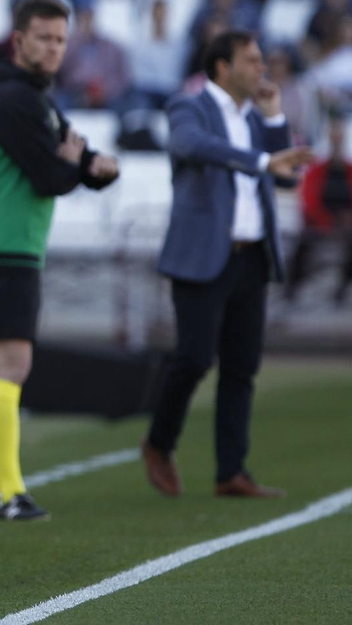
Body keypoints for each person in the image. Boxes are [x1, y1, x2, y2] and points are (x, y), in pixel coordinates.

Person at [0, 0, 120, 521]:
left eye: (60, 40)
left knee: (6, 363)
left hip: (12, 244)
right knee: (13, 362)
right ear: (19, 39)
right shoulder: (15, 100)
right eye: (44, 38)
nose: (53, 48)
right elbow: (52, 174)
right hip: (6, 245)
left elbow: (70, 155)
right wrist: (79, 165)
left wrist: (95, 165)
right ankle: (7, 492)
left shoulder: (34, 98)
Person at [142, 31, 311, 500]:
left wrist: (275, 114)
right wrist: (261, 159)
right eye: (252, 60)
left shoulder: (254, 117)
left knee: (241, 367)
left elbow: (288, 175)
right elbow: (193, 147)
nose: (262, 68)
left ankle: (230, 472)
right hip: (202, 255)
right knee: (194, 358)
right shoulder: (188, 106)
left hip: (250, 256)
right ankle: (158, 443)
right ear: (221, 67)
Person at [287, 114, 352, 304]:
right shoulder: (317, 170)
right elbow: (309, 201)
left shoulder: (348, 169)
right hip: (320, 225)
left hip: (346, 226)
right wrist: (329, 221)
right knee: (303, 247)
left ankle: (342, 288)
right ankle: (292, 288)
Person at [57, 8, 131, 111]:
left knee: (125, 106)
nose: (87, 23)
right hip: (76, 92)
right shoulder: (69, 44)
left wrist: (105, 91)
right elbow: (61, 69)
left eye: (90, 18)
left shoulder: (112, 47)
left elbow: (122, 79)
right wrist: (79, 38)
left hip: (106, 94)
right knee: (60, 102)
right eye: (84, 19)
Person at [129, 0, 185, 107]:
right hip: (146, 92)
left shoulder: (179, 45)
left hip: (171, 92)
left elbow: (180, 73)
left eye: (162, 13)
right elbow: (138, 76)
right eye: (156, 13)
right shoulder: (140, 44)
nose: (159, 17)